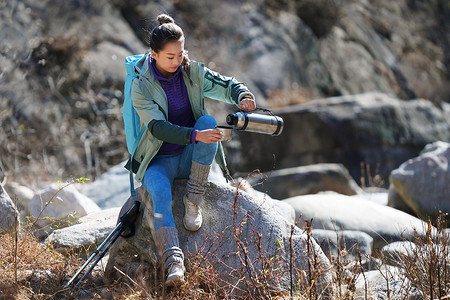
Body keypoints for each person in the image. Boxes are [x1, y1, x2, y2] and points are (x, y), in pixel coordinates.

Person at [128, 13, 256, 286]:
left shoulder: (191, 71)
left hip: (188, 159)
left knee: (209, 121)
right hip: (158, 160)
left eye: (181, 53)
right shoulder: (141, 85)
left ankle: (193, 198)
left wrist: (242, 94)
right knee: (160, 194)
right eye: (170, 57)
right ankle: (173, 261)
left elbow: (225, 84)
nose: (178, 61)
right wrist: (196, 135)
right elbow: (158, 128)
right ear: (154, 54)